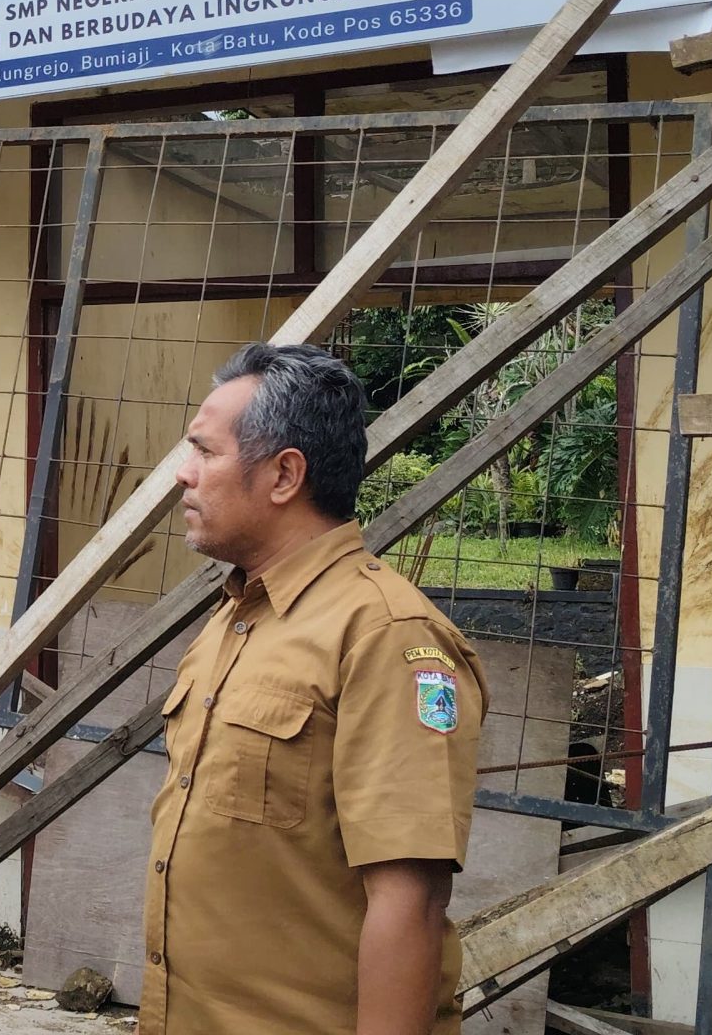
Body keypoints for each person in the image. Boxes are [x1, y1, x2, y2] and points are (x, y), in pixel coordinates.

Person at [142, 343, 486, 1035]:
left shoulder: (384, 635)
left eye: (204, 452)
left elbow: (410, 901)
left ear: (283, 475)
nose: (183, 475)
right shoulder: (237, 617)